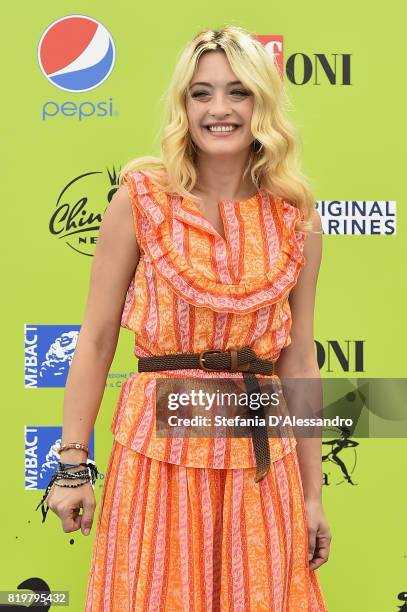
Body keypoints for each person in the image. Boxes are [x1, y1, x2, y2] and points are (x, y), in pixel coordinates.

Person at [40, 25, 331, 611]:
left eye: (238, 92)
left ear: (263, 104)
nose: (219, 109)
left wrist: (312, 494)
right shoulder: (140, 199)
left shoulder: (295, 216)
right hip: (156, 462)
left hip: (258, 461)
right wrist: (72, 466)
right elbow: (96, 341)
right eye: (201, 93)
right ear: (183, 105)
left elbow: (298, 358)